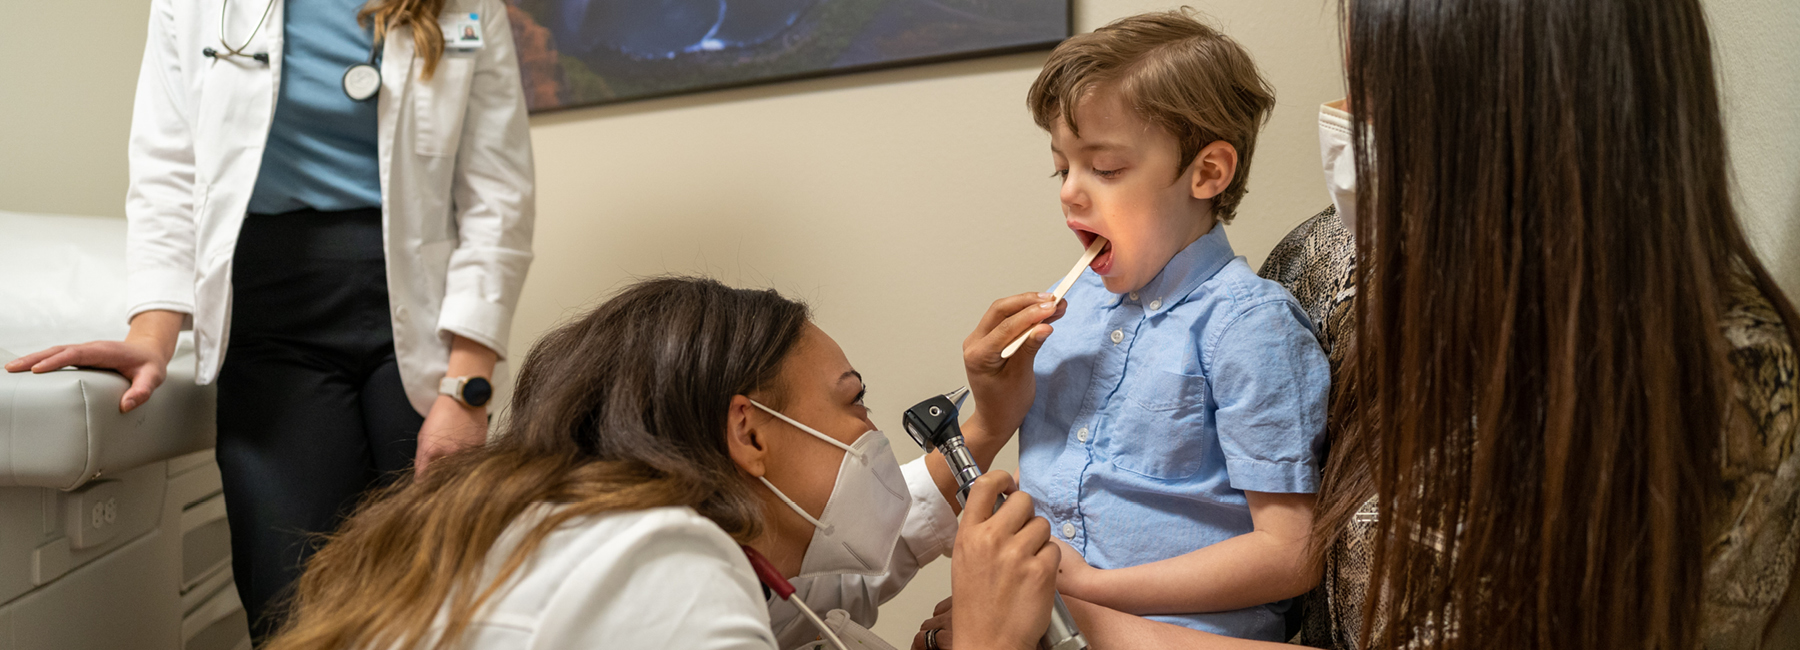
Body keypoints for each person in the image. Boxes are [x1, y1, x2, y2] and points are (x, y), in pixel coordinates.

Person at [983, 0, 1800, 648]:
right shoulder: (1325, 258)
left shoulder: (1728, 391)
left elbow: (1282, 551)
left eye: (1385, 96)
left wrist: (1089, 615)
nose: (1344, 118)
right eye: (1356, 84)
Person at [4, 0, 534, 642]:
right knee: (291, 603)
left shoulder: (467, 7)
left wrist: (467, 390)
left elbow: (497, 196)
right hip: (271, 322)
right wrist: (151, 333)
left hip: (421, 323)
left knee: (436, 599)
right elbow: (169, 170)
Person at [261, 277, 1064, 650]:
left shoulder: (598, 535)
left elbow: (826, 584)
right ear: (749, 434)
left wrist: (986, 424)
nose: (867, 429)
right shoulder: (656, 565)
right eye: (852, 402)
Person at [953, 10, 1331, 643]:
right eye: (1062, 167)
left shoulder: (1249, 329)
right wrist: (992, 411)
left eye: (1104, 169)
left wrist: (1085, 589)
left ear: (1207, 173)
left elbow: (1291, 553)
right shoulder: (1061, 316)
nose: (1071, 193)